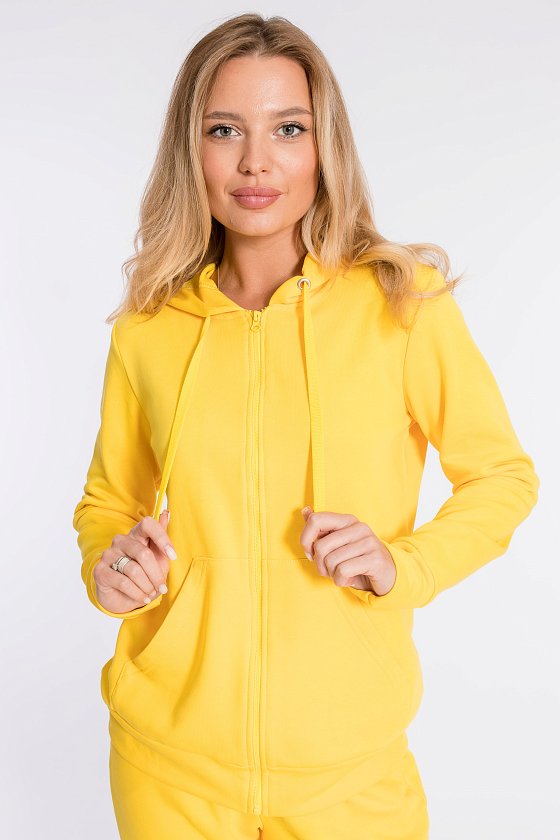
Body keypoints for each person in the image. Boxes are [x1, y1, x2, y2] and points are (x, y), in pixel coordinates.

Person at [72, 12, 540, 840]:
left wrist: (405, 566)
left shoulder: (402, 304)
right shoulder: (148, 325)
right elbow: (109, 502)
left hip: (351, 779)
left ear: (326, 146)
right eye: (224, 130)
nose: (256, 161)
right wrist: (107, 569)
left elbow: (502, 477)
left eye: (288, 128)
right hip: (166, 772)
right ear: (191, 149)